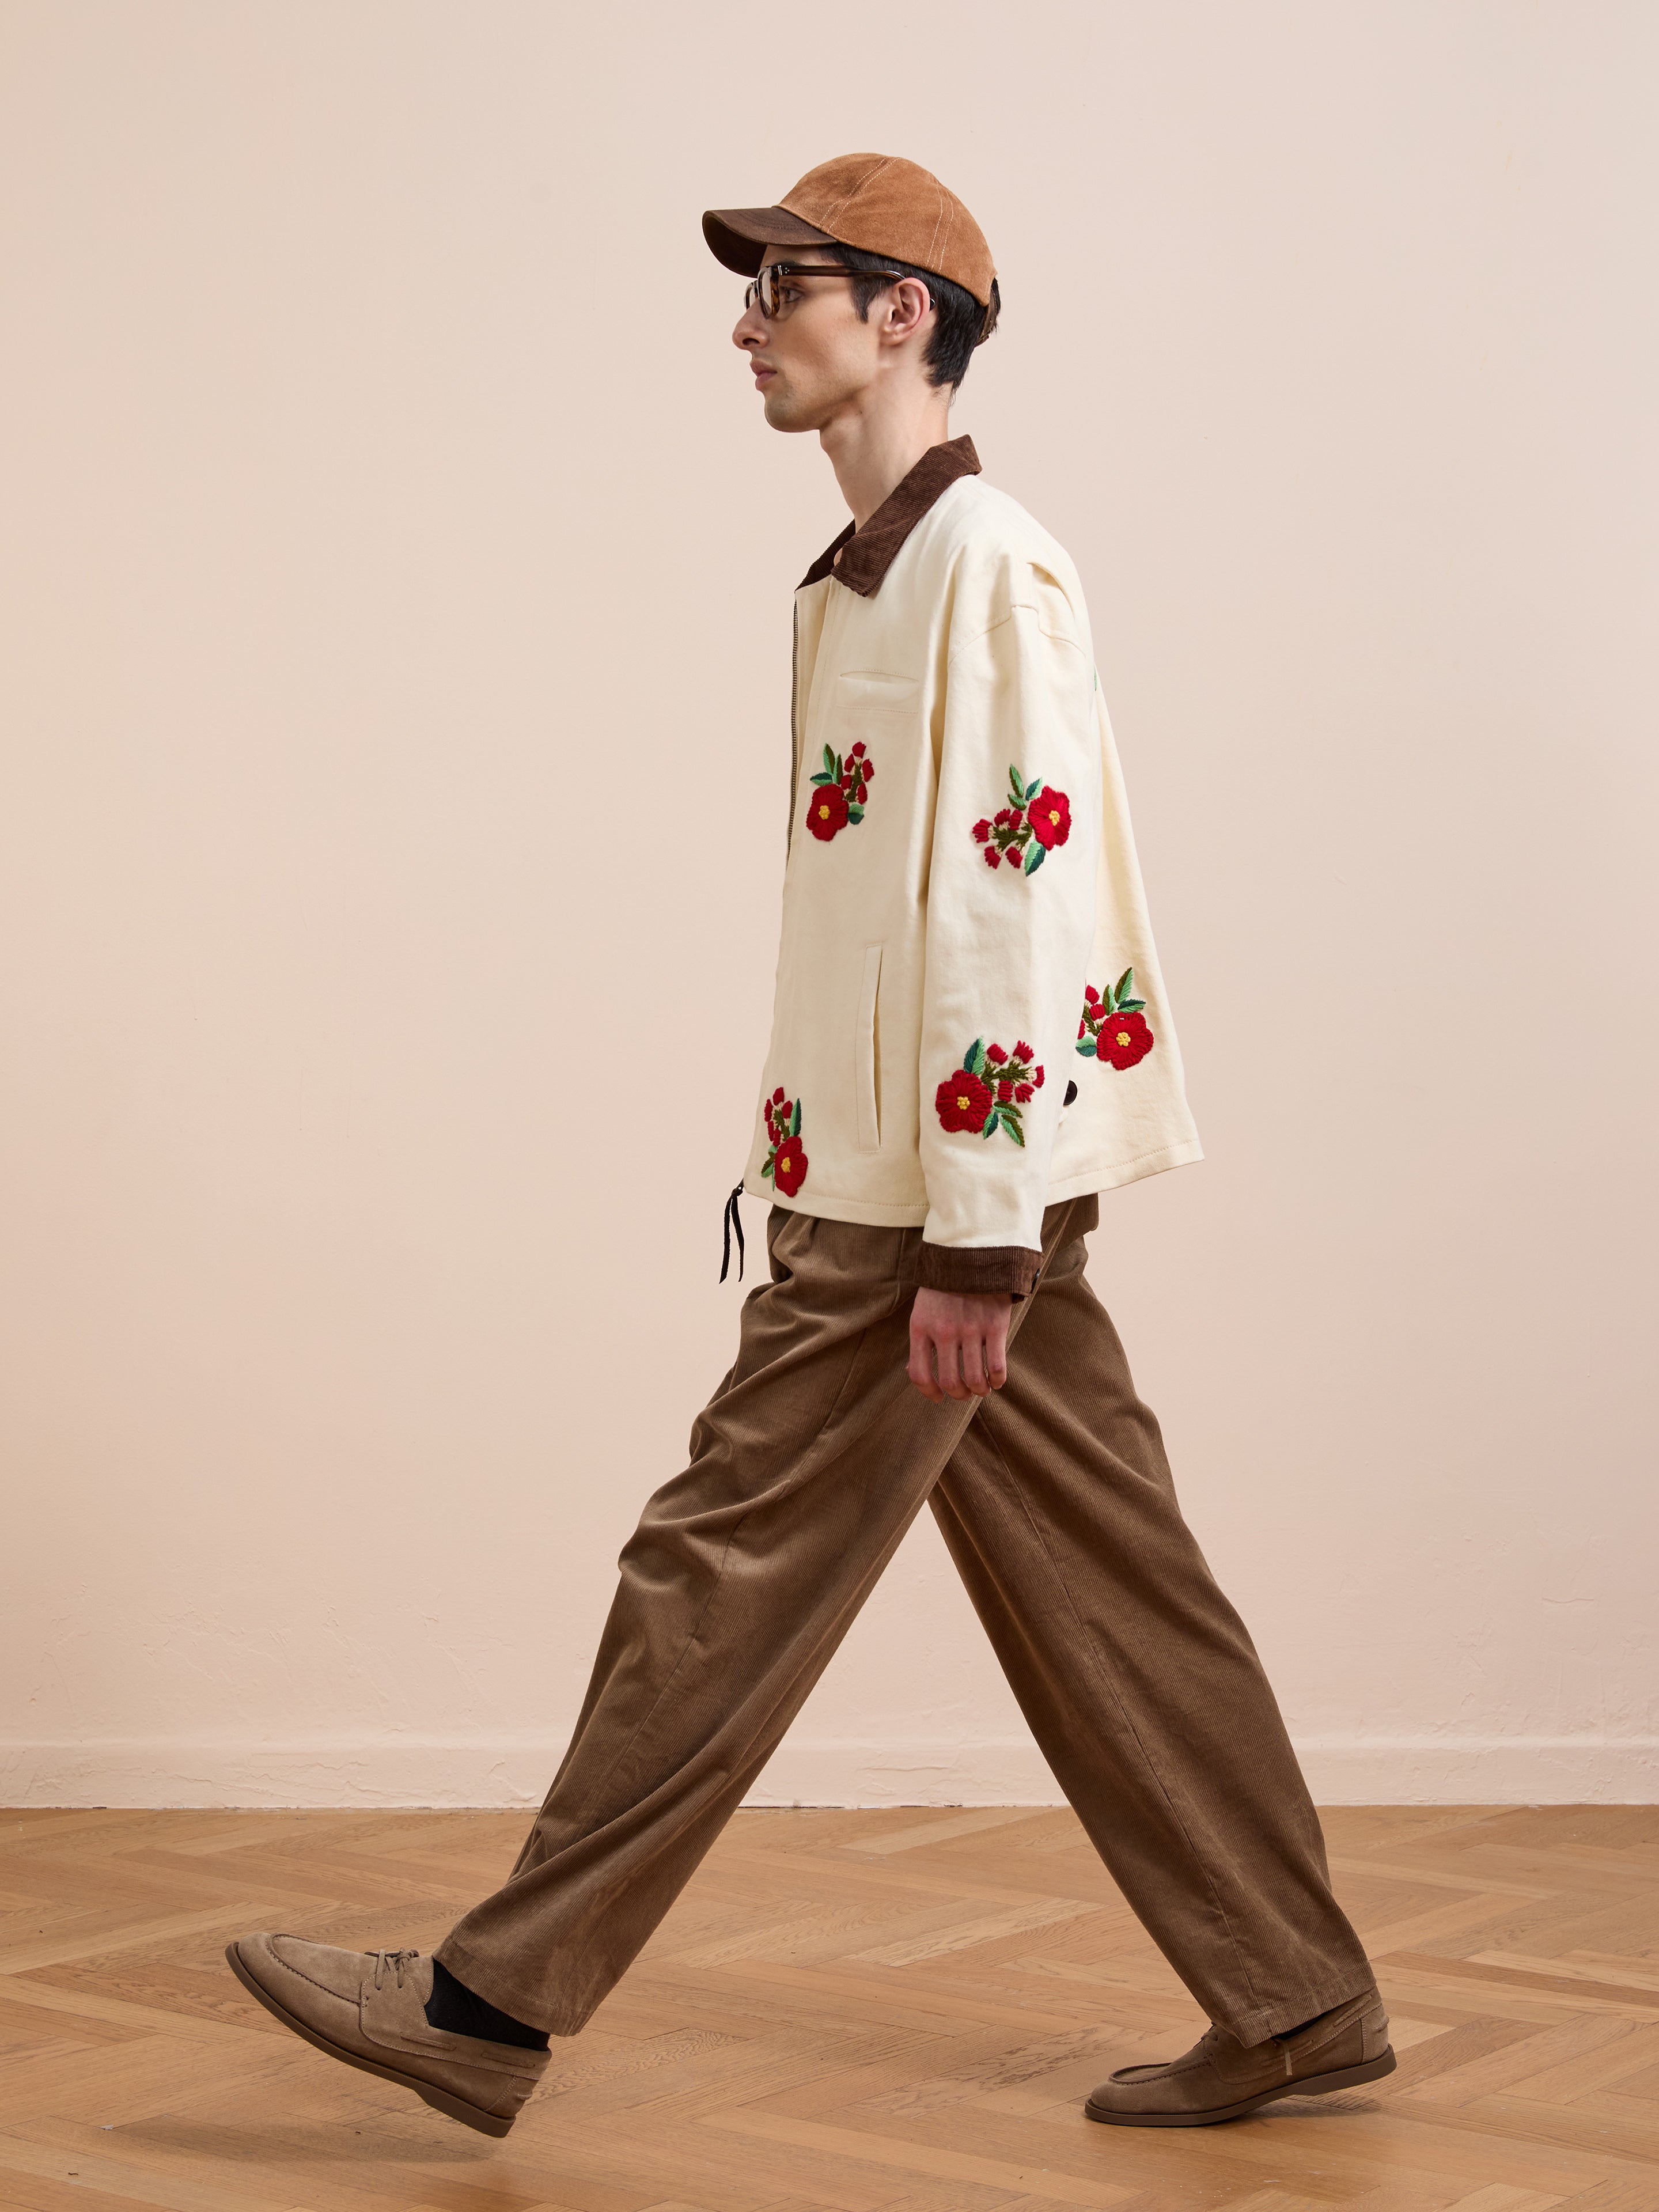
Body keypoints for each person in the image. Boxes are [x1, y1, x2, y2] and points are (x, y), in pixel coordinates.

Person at [225, 152, 1395, 2140]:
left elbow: (1014, 903)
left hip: (931, 1204)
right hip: (900, 1177)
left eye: (786, 286)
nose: (748, 322)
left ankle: (487, 2007)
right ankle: (1299, 2000)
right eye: (755, 287)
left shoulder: (990, 562)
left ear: (902, 316)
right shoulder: (847, 579)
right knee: (1117, 1582)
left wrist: (976, 1236)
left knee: (718, 1565)